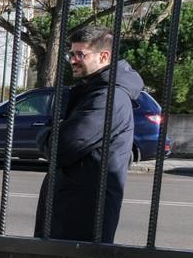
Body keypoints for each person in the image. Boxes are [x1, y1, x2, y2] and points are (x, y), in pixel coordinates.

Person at [35, 25, 138, 243]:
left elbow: (60, 148)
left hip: (81, 217)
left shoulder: (108, 98)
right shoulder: (93, 92)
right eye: (71, 54)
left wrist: (46, 134)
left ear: (103, 56)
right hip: (73, 211)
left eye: (80, 54)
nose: (72, 60)